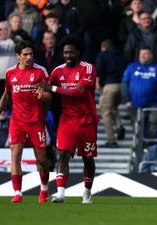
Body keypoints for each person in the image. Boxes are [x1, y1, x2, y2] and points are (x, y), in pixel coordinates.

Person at [36, 35, 99, 204]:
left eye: (71, 52)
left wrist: (53, 88)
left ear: (78, 52)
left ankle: (87, 192)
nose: (68, 55)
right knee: (62, 154)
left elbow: (78, 91)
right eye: (65, 52)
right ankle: (61, 193)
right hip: (67, 120)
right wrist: (42, 95)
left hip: (87, 121)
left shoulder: (88, 69)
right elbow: (46, 88)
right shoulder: (57, 71)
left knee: (88, 158)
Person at [0, 40, 51, 203]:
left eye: (31, 54)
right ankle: (18, 193)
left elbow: (49, 95)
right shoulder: (10, 73)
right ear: (18, 56)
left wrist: (42, 96)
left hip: (36, 121)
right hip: (17, 121)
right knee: (15, 155)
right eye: (25, 55)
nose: (29, 57)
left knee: (42, 159)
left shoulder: (40, 71)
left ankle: (44, 189)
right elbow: (6, 95)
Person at [96, 39, 127, 148]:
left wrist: (97, 83)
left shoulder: (103, 55)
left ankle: (111, 140)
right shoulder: (122, 56)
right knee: (113, 108)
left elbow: (99, 70)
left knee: (106, 113)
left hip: (109, 86)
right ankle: (119, 126)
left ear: (103, 47)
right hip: (122, 86)